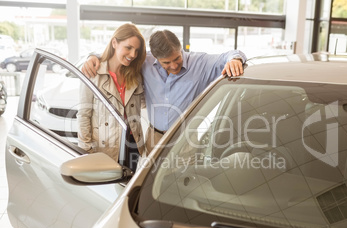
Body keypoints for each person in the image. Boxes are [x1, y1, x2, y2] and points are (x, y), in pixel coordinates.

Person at [82, 29, 247, 153]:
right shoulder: (145, 62)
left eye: (177, 58)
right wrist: (92, 57)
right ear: (154, 57)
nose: (174, 66)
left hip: (185, 139)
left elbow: (232, 54)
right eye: (166, 62)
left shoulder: (200, 63)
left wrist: (235, 59)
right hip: (154, 138)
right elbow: (116, 57)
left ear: (180, 48)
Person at [77, 23, 146, 171]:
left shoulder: (136, 75)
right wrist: (86, 151)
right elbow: (84, 115)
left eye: (136, 50)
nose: (133, 55)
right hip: (105, 149)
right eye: (128, 48)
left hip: (133, 145)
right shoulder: (93, 73)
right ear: (114, 43)